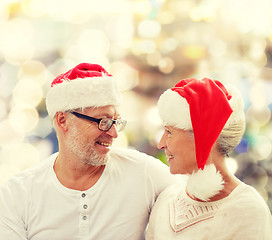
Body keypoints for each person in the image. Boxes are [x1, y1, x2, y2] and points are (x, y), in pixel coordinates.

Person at [0, 63, 180, 240]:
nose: (114, 133)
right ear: (63, 120)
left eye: (116, 121)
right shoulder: (17, 194)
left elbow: (196, 201)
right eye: (103, 121)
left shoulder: (145, 174)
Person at [146, 78, 272, 239]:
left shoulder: (248, 209)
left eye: (169, 132)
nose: (161, 144)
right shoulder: (166, 199)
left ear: (203, 137)